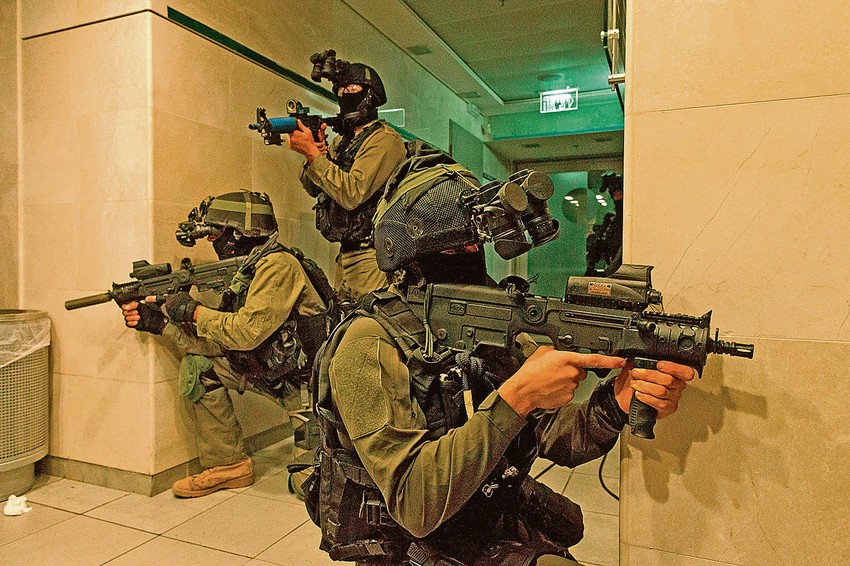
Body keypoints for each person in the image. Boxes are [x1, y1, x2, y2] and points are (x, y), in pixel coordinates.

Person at [310, 167, 696, 564]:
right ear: (413, 261)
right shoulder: (369, 344)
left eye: (475, 247)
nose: (471, 261)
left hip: (481, 515)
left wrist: (617, 401)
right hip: (411, 548)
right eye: (454, 252)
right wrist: (518, 397)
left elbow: (558, 435)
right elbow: (415, 504)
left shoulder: (483, 324)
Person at [121, 190, 328, 498]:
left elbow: (245, 333)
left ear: (238, 233)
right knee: (200, 368)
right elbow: (222, 342)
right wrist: (161, 323)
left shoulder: (278, 266)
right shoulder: (248, 269)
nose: (210, 241)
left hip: (309, 390)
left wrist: (193, 310)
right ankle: (229, 466)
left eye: (215, 233)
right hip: (273, 376)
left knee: (308, 486)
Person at [287, 50, 407, 303]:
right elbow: (313, 187)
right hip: (347, 254)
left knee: (368, 319)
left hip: (372, 256)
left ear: (371, 96)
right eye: (340, 90)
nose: (344, 95)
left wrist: (314, 155)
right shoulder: (343, 142)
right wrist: (315, 152)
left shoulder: (384, 140)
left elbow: (352, 193)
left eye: (352, 89)